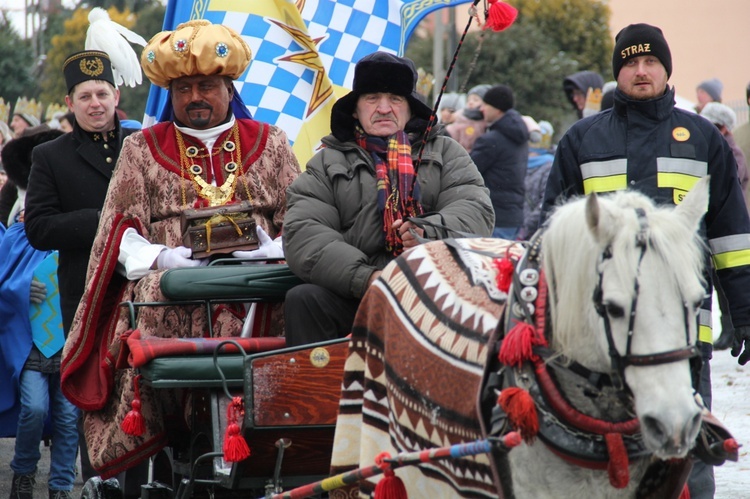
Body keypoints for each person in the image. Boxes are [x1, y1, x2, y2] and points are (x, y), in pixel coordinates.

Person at [57, 20, 300, 482]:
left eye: (206, 85)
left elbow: (303, 225)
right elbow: (117, 236)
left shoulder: (271, 143)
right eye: (183, 88)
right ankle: (168, 446)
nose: (195, 98)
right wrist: (164, 259)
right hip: (172, 294)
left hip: (258, 293)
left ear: (229, 88)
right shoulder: (141, 150)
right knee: (153, 294)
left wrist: (271, 249)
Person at [541, 23, 750, 499]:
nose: (641, 71)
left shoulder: (701, 138)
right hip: (598, 341)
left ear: (665, 69)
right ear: (618, 71)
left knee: (685, 454)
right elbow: (552, 237)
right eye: (630, 63)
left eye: (650, 62)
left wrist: (746, 312)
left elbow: (731, 236)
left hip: (680, 337)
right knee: (603, 460)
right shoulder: (581, 140)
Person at [283, 51, 494, 347]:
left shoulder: (447, 153)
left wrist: (426, 232)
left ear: (410, 109)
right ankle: (318, 392)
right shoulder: (325, 163)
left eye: (395, 99)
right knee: (304, 299)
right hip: (357, 294)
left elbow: (476, 211)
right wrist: (368, 278)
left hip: (433, 290)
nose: (384, 108)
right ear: (355, 109)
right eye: (372, 98)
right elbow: (304, 233)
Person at [24, 49, 140, 488]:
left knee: (149, 393)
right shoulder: (50, 156)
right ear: (70, 103)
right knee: (99, 398)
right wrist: (101, 221)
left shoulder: (142, 145)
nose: (96, 103)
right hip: (89, 297)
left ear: (115, 97)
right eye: (85, 95)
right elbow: (38, 227)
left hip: (147, 293)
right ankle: (99, 485)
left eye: (103, 93)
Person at [0, 128, 76, 499]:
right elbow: (3, 282)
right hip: (30, 345)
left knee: (67, 416)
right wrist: (19, 288)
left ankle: (61, 486)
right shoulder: (16, 235)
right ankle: (24, 474)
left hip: (71, 338)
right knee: (32, 408)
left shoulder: (76, 227)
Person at [470, 84, 529, 239]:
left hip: (494, 216)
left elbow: (468, 172)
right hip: (514, 216)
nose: (482, 109)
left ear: (497, 108)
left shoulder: (491, 141)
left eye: (485, 105)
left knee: (486, 262)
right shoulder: (520, 136)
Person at [519, 117, 555, 240]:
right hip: (517, 229)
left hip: (532, 234)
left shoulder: (550, 167)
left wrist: (526, 228)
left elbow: (545, 201)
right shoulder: (517, 163)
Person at [445, 83, 491, 152]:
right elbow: (451, 133)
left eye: (476, 100)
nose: (471, 102)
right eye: (469, 100)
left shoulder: (487, 120)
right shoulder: (461, 117)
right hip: (461, 154)